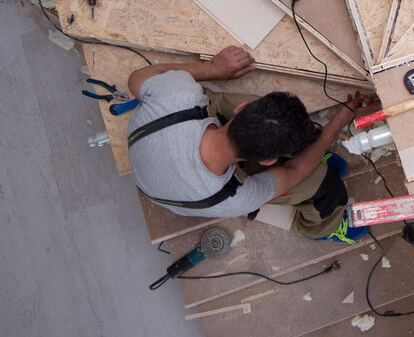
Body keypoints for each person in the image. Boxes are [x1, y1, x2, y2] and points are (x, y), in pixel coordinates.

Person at [124, 46, 367, 241]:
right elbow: (294, 170)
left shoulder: (178, 95)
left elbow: (136, 77)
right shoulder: (238, 197)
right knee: (329, 186)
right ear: (268, 162)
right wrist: (336, 125)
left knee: (290, 129)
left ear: (242, 109)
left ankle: (308, 146)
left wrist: (213, 69)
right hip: (182, 190)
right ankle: (322, 228)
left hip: (157, 163)